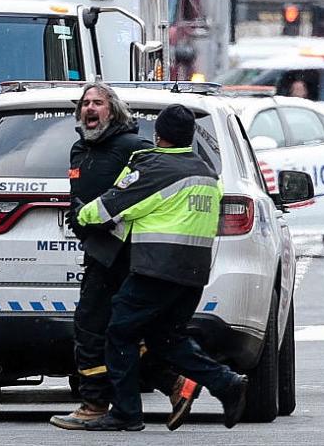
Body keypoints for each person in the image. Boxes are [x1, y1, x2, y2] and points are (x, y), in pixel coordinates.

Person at [75, 104, 249, 432]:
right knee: (166, 339)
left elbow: (110, 206)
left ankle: (126, 413)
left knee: (119, 331)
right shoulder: (206, 172)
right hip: (193, 273)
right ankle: (226, 384)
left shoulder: (154, 166)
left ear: (159, 135)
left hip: (157, 269)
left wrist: (82, 214)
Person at [51, 84, 201, 431]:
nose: (90, 108)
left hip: (127, 253)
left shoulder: (135, 148)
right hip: (97, 252)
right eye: (86, 103)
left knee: (91, 327)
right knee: (125, 333)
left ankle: (94, 404)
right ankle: (176, 385)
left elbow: (143, 193)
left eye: (98, 103)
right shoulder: (78, 150)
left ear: (113, 111)